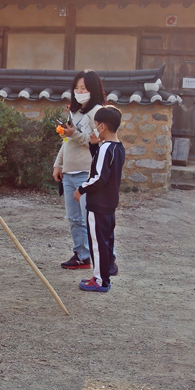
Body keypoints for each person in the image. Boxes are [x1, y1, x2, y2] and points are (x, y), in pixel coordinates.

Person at [52, 69, 108, 272]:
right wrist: (58, 165)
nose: (79, 91)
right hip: (69, 172)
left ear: (93, 89)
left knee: (92, 218)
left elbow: (95, 142)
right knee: (74, 218)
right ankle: (81, 255)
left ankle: (108, 259)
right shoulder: (75, 113)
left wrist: (74, 133)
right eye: (76, 87)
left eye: (83, 88)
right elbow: (67, 142)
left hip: (87, 172)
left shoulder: (99, 114)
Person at [73, 105, 126, 292]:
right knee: (106, 241)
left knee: (97, 242)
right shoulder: (118, 148)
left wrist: (81, 189)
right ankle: (103, 277)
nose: (94, 129)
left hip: (98, 204)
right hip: (110, 204)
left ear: (102, 127)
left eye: (96, 125)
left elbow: (99, 177)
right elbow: (104, 168)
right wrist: (94, 145)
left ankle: (100, 280)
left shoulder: (106, 148)